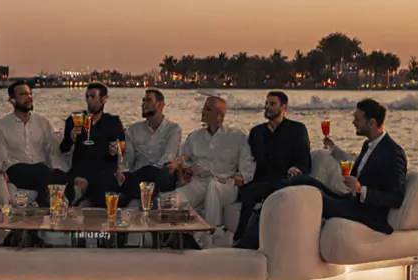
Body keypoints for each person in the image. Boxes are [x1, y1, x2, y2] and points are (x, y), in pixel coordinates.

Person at [317, 98, 408, 233]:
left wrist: (361, 190)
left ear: (371, 123)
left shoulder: (393, 153)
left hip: (368, 214)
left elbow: (396, 198)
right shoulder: (368, 145)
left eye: (357, 119)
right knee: (308, 184)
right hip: (353, 202)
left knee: (316, 201)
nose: (353, 122)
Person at [233, 91, 311, 247]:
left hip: (284, 180)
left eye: (272, 104)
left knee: (252, 192)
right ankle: (241, 238)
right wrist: (241, 174)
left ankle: (240, 240)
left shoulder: (297, 129)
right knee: (247, 190)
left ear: (284, 106)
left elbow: (304, 159)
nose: (267, 107)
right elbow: (248, 159)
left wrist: (296, 169)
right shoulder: (257, 132)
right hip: (260, 178)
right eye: (266, 104)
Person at [171, 96, 255, 240]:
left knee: (213, 186)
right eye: (204, 107)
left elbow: (247, 169)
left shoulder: (237, 137)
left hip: (225, 185)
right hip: (199, 182)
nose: (203, 111)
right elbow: (185, 160)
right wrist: (186, 169)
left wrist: (237, 179)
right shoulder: (194, 137)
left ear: (220, 116)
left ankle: (211, 233)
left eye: (208, 109)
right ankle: (180, 235)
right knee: (173, 199)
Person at [0, 81, 67, 203]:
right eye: (23, 94)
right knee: (42, 172)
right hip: (16, 170)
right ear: (12, 100)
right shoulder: (3, 126)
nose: (29, 97)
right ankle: (47, 204)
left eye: (30, 94)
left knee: (60, 175)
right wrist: (1, 172)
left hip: (41, 170)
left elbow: (53, 150)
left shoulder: (42, 122)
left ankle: (49, 206)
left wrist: (57, 168)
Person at [60, 83, 125, 205]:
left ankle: (86, 200)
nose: (89, 100)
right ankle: (80, 199)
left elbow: (121, 148)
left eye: (93, 97)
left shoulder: (113, 122)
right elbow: (64, 149)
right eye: (87, 97)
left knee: (104, 181)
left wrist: (115, 151)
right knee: (65, 179)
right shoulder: (74, 120)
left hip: (104, 169)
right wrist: (71, 138)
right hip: (81, 168)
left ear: (104, 99)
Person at [116, 88, 182, 207]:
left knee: (158, 172)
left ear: (160, 105)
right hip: (138, 178)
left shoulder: (173, 129)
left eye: (148, 100)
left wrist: (146, 174)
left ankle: (134, 194)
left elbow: (168, 158)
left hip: (161, 175)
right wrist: (122, 172)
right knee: (120, 178)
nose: (143, 104)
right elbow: (128, 160)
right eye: (143, 100)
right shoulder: (133, 130)